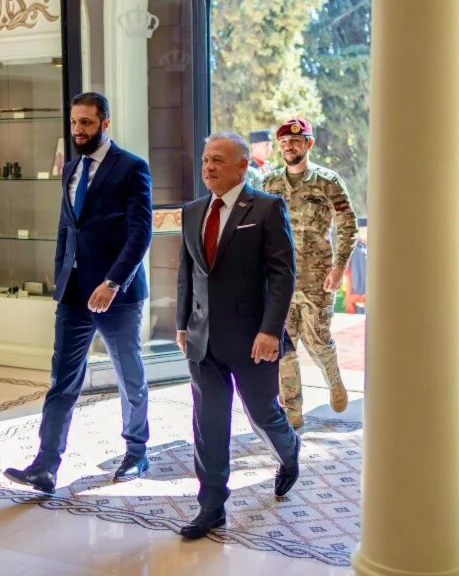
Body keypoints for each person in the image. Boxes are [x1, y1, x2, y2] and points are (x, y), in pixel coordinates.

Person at [4, 92, 154, 494]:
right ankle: (45, 466)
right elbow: (67, 227)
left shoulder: (132, 168)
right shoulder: (70, 168)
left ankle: (136, 453)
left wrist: (113, 282)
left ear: (105, 124)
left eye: (86, 122)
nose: (78, 130)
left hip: (116, 295)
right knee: (62, 381)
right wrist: (59, 276)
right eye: (74, 122)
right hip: (72, 294)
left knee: (129, 376)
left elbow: (141, 234)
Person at [175, 132, 300, 539]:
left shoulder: (266, 208)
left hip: (252, 339)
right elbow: (187, 273)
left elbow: (282, 275)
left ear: (242, 166)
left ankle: (289, 450)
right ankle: (211, 506)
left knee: (263, 413)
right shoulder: (193, 211)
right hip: (203, 339)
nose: (208, 167)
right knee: (208, 423)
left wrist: (270, 330)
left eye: (217, 160)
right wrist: (182, 324)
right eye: (205, 159)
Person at [261, 118, 358, 429]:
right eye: (284, 142)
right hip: (280, 279)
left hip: (318, 278)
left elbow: (348, 226)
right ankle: (293, 410)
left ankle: (334, 381)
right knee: (284, 347)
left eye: (295, 141)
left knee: (318, 342)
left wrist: (339, 267)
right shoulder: (269, 183)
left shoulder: (328, 182)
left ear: (308, 144)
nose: (289, 146)